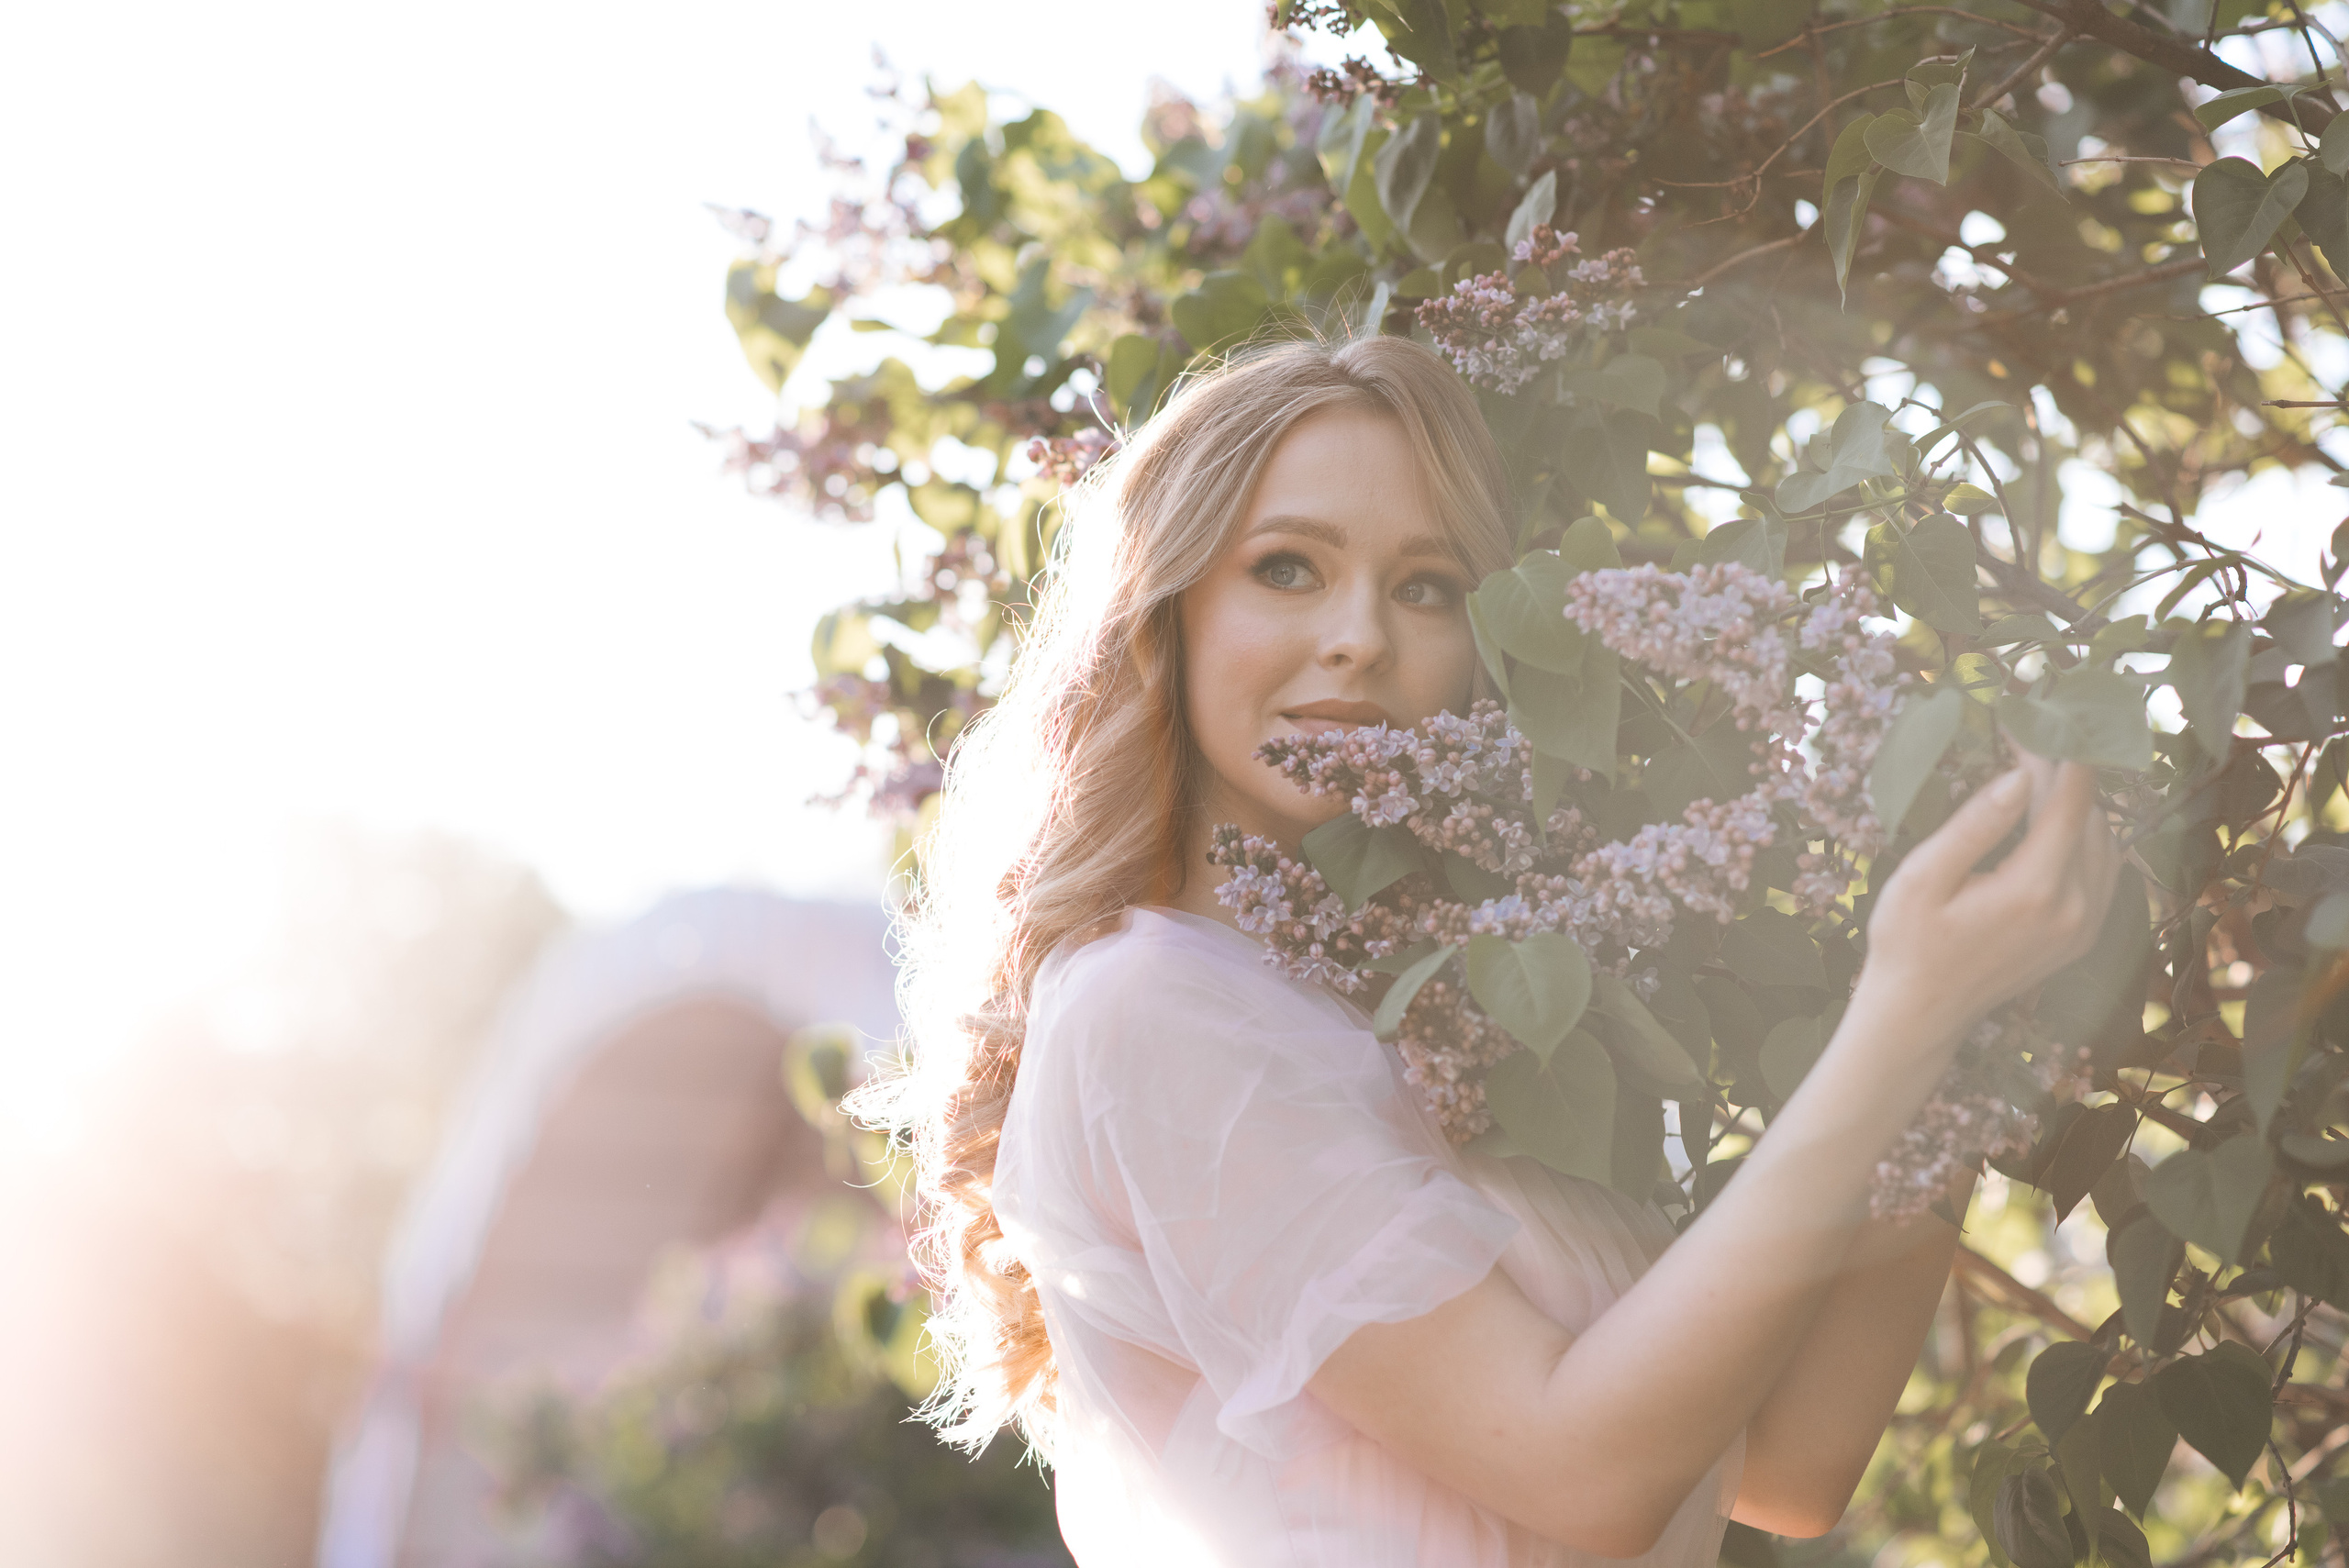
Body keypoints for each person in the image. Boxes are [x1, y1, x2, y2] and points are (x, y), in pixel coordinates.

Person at [850, 334, 2119, 1565]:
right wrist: (1900, 1014)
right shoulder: (1154, 1006)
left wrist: (1966, 1026)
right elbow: (1586, 1474)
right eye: (1287, 567)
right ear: (1165, 612)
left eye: (1427, 586)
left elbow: (1785, 1462)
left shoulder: (1448, 1024)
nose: (1360, 636)